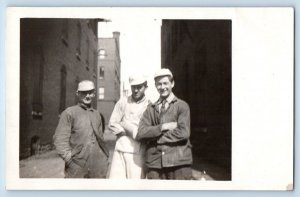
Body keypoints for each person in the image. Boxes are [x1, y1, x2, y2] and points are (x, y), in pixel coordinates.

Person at [136, 68, 193, 180]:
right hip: (155, 164)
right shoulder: (150, 109)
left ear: (172, 83)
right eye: (159, 84)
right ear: (155, 86)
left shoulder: (182, 106)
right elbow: (141, 133)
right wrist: (162, 127)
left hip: (178, 163)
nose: (162, 87)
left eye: (165, 83)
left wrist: (156, 138)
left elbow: (183, 132)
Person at [53, 80, 109, 178]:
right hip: (77, 166)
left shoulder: (97, 115)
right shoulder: (69, 113)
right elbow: (59, 140)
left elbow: (100, 138)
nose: (87, 96)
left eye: (90, 92)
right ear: (78, 94)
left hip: (98, 165)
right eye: (84, 93)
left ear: (94, 94)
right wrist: (70, 161)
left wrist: (104, 158)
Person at [108, 75, 150, 179]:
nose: (135, 90)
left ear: (145, 87)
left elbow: (144, 131)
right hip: (120, 148)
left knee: (135, 186)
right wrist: (124, 131)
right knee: (116, 184)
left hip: (137, 152)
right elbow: (112, 123)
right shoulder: (123, 101)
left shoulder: (149, 105)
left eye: (139, 87)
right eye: (133, 87)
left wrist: (125, 124)